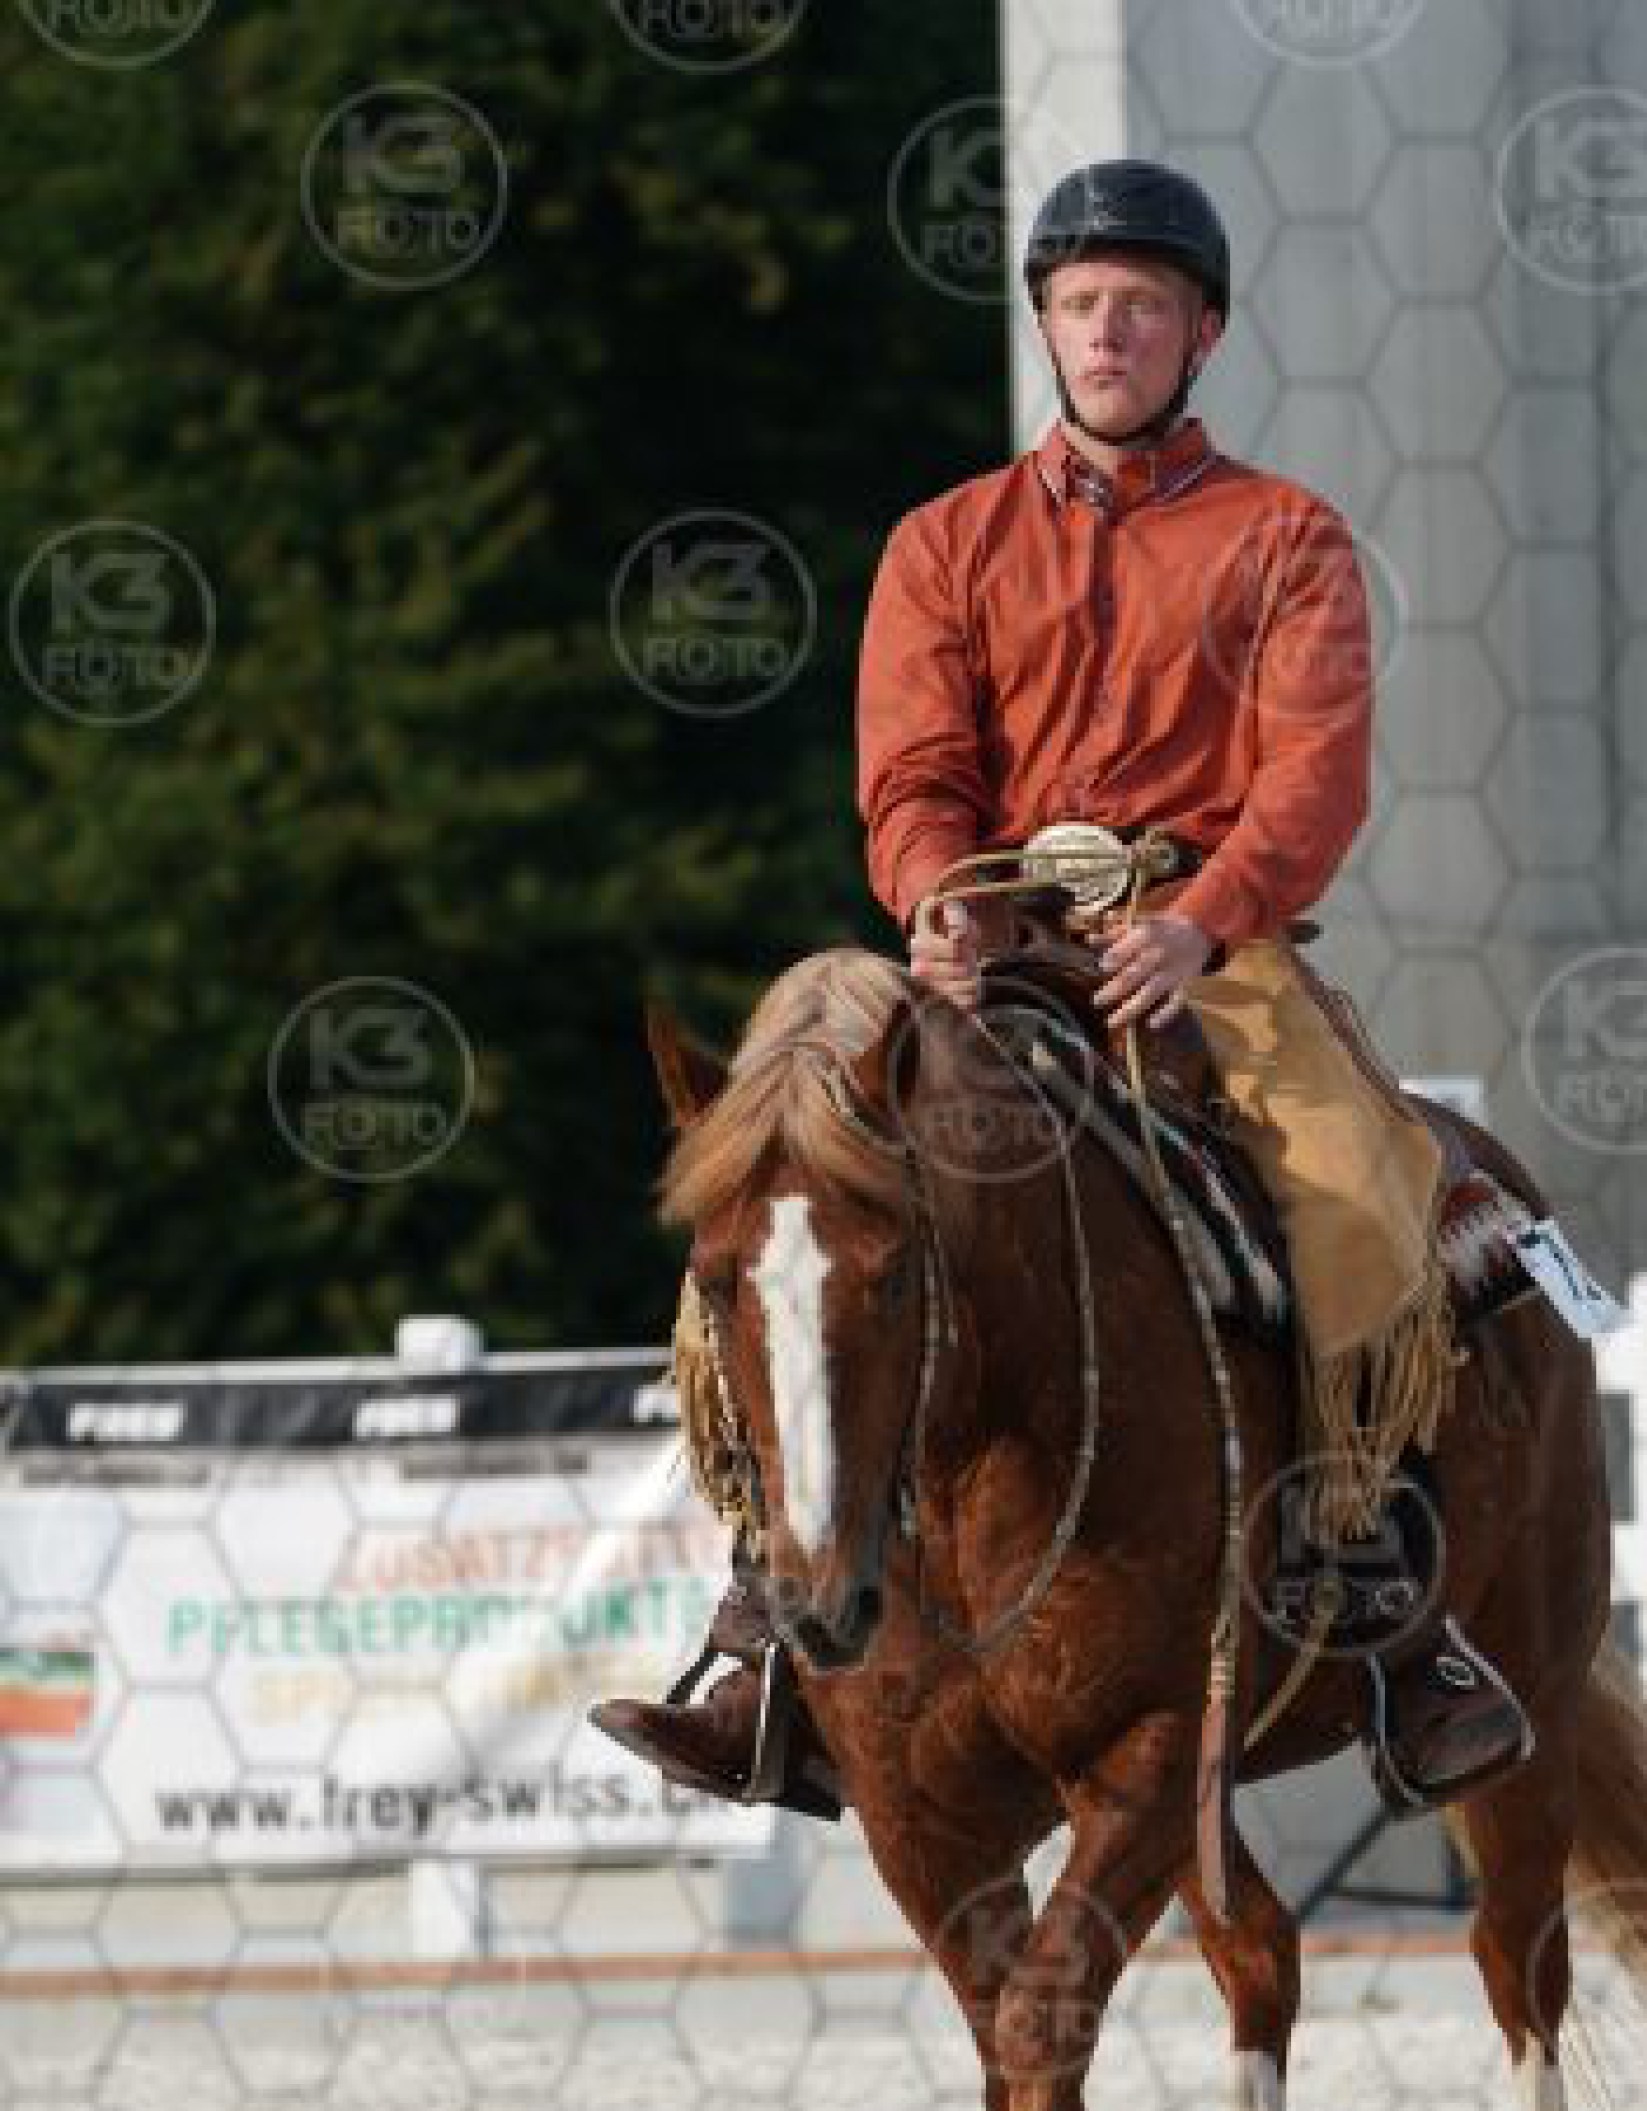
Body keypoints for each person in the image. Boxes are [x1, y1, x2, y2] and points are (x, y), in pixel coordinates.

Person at [594, 159, 1529, 1819]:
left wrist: (1206, 922)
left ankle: (1382, 1599)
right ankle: (765, 1629)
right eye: (1082, 304)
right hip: (992, 940)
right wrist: (937, 899)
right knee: (789, 1192)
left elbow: (1314, 778)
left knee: (1357, 1189)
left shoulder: (1288, 539)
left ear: (1202, 333)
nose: (1109, 332)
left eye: (1143, 307)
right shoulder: (943, 543)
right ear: (1045, 325)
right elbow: (913, 774)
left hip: (1207, 948)